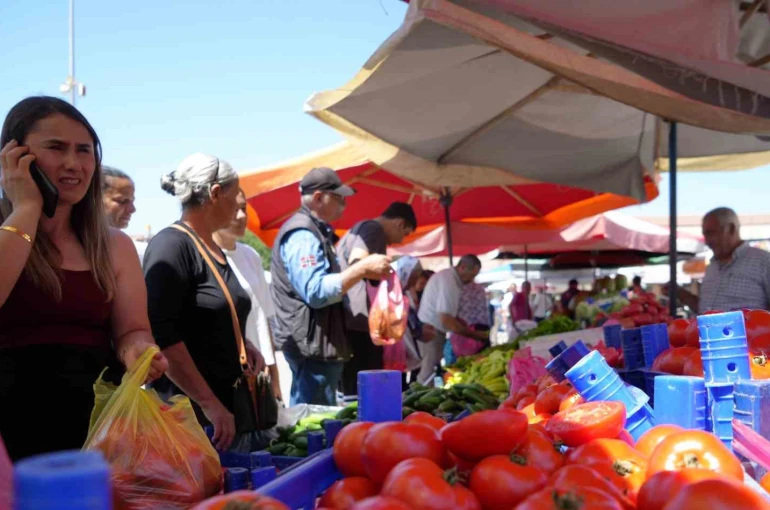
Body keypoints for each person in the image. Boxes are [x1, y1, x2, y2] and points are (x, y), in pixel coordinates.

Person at [0, 96, 167, 460]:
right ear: (14, 156)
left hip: (94, 437)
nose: (73, 163)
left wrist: (137, 349)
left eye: (85, 150)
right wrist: (27, 208)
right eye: (56, 148)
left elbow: (132, 329)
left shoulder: (114, 245)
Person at [143, 153, 266, 452]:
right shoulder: (171, 245)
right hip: (195, 417)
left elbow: (208, 315)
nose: (239, 204)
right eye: (235, 194)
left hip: (226, 408)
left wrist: (239, 342)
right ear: (215, 194)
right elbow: (163, 334)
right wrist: (209, 403)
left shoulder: (210, 245)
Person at [270, 167, 392, 406]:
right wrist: (362, 269)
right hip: (311, 345)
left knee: (319, 418)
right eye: (339, 198)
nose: (344, 205)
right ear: (318, 198)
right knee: (312, 422)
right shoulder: (303, 233)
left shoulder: (314, 231)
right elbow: (315, 291)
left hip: (317, 342)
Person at [337, 202, 417, 397]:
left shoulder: (363, 228)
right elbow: (357, 261)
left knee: (357, 391)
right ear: (400, 223)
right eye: (405, 233)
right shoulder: (373, 229)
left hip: (352, 321)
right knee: (363, 393)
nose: (399, 241)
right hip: (358, 322)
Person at [213, 189, 283, 403]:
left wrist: (275, 374)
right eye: (234, 210)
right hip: (228, 377)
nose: (242, 216)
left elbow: (263, 320)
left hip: (259, 373)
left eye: (244, 208)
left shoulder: (250, 255)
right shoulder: (204, 258)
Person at [672, 207, 770, 313]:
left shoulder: (764, 262)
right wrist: (681, 294)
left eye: (710, 233)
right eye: (705, 235)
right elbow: (706, 309)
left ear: (731, 229)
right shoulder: (711, 266)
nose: (707, 241)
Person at [417, 255, 487, 385]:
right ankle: (414, 402)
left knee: (431, 370)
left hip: (433, 329)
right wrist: (474, 335)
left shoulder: (450, 278)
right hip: (431, 331)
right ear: (462, 267)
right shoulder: (449, 281)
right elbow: (446, 319)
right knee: (428, 371)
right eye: (471, 275)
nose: (471, 280)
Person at [393, 256, 435, 389]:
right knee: (398, 384)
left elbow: (411, 320)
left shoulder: (406, 293)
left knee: (406, 384)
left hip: (406, 347)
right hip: (394, 350)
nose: (415, 280)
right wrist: (420, 329)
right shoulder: (391, 293)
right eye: (413, 276)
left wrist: (421, 328)